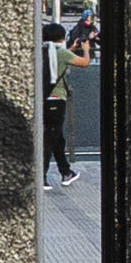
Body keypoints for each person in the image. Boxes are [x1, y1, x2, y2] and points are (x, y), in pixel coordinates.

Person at [39, 19, 75, 183]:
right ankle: (42, 177)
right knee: (50, 139)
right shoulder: (61, 53)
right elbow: (84, 62)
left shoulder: (44, 51)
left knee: (56, 138)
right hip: (57, 99)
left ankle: (66, 172)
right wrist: (87, 50)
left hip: (44, 99)